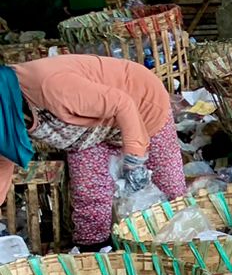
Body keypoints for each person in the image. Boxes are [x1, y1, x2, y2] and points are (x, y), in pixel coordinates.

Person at [0, 54, 186, 249]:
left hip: (140, 106)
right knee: (89, 196)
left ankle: (180, 247)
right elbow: (4, 155)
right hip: (88, 133)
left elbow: (122, 104)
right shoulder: (6, 112)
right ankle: (95, 254)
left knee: (169, 186)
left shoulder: (50, 85)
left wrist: (134, 157)